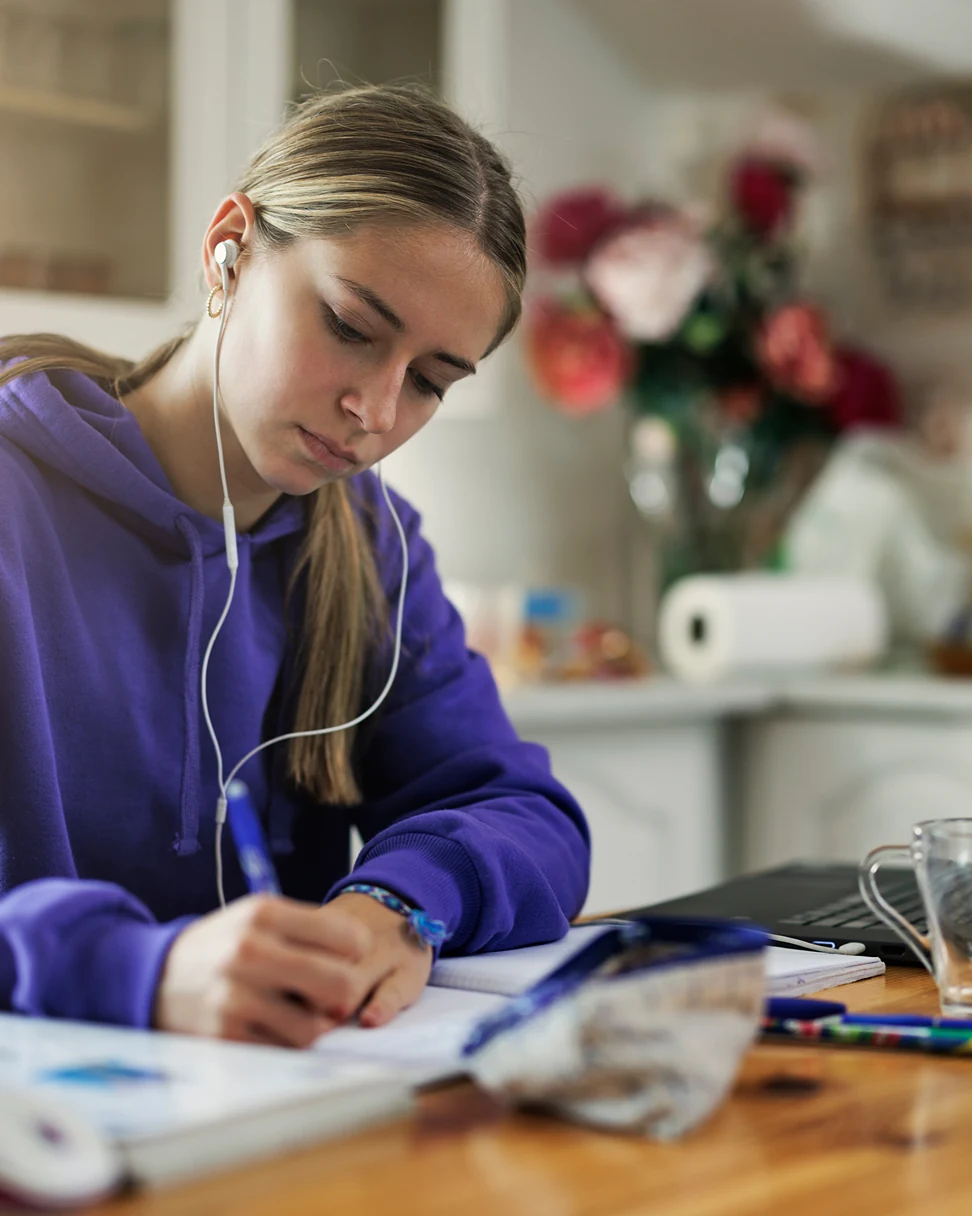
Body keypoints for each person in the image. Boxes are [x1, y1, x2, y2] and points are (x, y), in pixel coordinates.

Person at [0, 84, 590, 1049]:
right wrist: (136, 973)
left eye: (432, 379)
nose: (377, 411)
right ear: (229, 248)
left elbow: (527, 815)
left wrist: (396, 904)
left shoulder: (369, 545)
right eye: (352, 328)